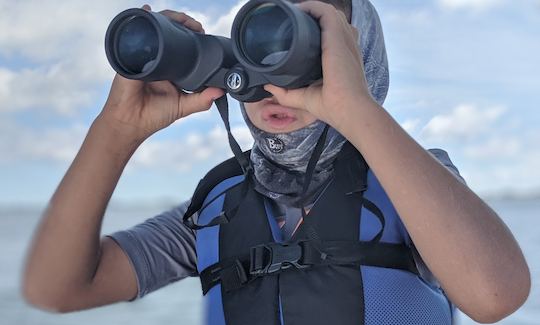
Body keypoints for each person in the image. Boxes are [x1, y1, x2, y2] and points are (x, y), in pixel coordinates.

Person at [22, 0, 530, 324]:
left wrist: (356, 109)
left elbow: (495, 296)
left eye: (303, 52)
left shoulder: (415, 187)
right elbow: (56, 288)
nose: (277, 82)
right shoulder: (212, 212)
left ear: (360, 62)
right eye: (259, 50)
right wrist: (117, 129)